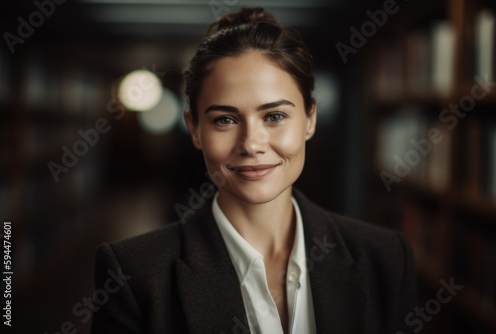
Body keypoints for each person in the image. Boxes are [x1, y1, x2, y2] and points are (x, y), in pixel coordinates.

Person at [91, 7, 416, 334]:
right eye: (225, 120)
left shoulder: (385, 258)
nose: (251, 144)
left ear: (310, 118)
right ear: (194, 129)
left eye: (274, 116)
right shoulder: (133, 274)